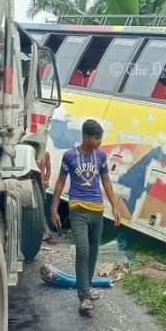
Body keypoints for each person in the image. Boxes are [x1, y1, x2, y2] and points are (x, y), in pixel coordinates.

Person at [50, 119, 121, 315]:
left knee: (92, 252)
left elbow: (106, 181)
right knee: (82, 250)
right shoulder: (70, 156)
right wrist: (54, 207)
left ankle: (87, 287)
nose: (99, 141)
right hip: (78, 210)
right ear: (86, 137)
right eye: (96, 138)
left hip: (97, 211)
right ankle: (84, 297)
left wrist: (115, 206)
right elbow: (60, 181)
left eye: (100, 138)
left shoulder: (101, 156)